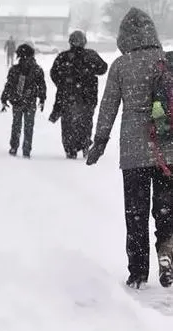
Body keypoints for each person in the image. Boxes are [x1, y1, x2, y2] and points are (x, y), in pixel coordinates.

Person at [86, 8, 173, 289]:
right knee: (166, 210)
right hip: (167, 149)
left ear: (124, 37)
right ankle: (167, 251)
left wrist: (99, 141)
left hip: (134, 151)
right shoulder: (165, 61)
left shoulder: (121, 66)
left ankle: (137, 273)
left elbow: (109, 106)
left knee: (135, 214)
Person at [50, 30, 108, 159]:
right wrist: (90, 69)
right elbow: (103, 68)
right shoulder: (90, 55)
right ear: (84, 42)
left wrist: (63, 84)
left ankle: (70, 149)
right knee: (85, 123)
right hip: (87, 97)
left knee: (68, 125)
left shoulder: (63, 57)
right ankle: (85, 144)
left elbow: (54, 73)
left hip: (67, 97)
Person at [1, 44, 46, 158]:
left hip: (18, 100)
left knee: (17, 125)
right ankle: (26, 149)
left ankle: (14, 147)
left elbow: (9, 85)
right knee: (28, 126)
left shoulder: (15, 69)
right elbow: (42, 85)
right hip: (29, 101)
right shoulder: (37, 70)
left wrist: (4, 97)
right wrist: (42, 98)